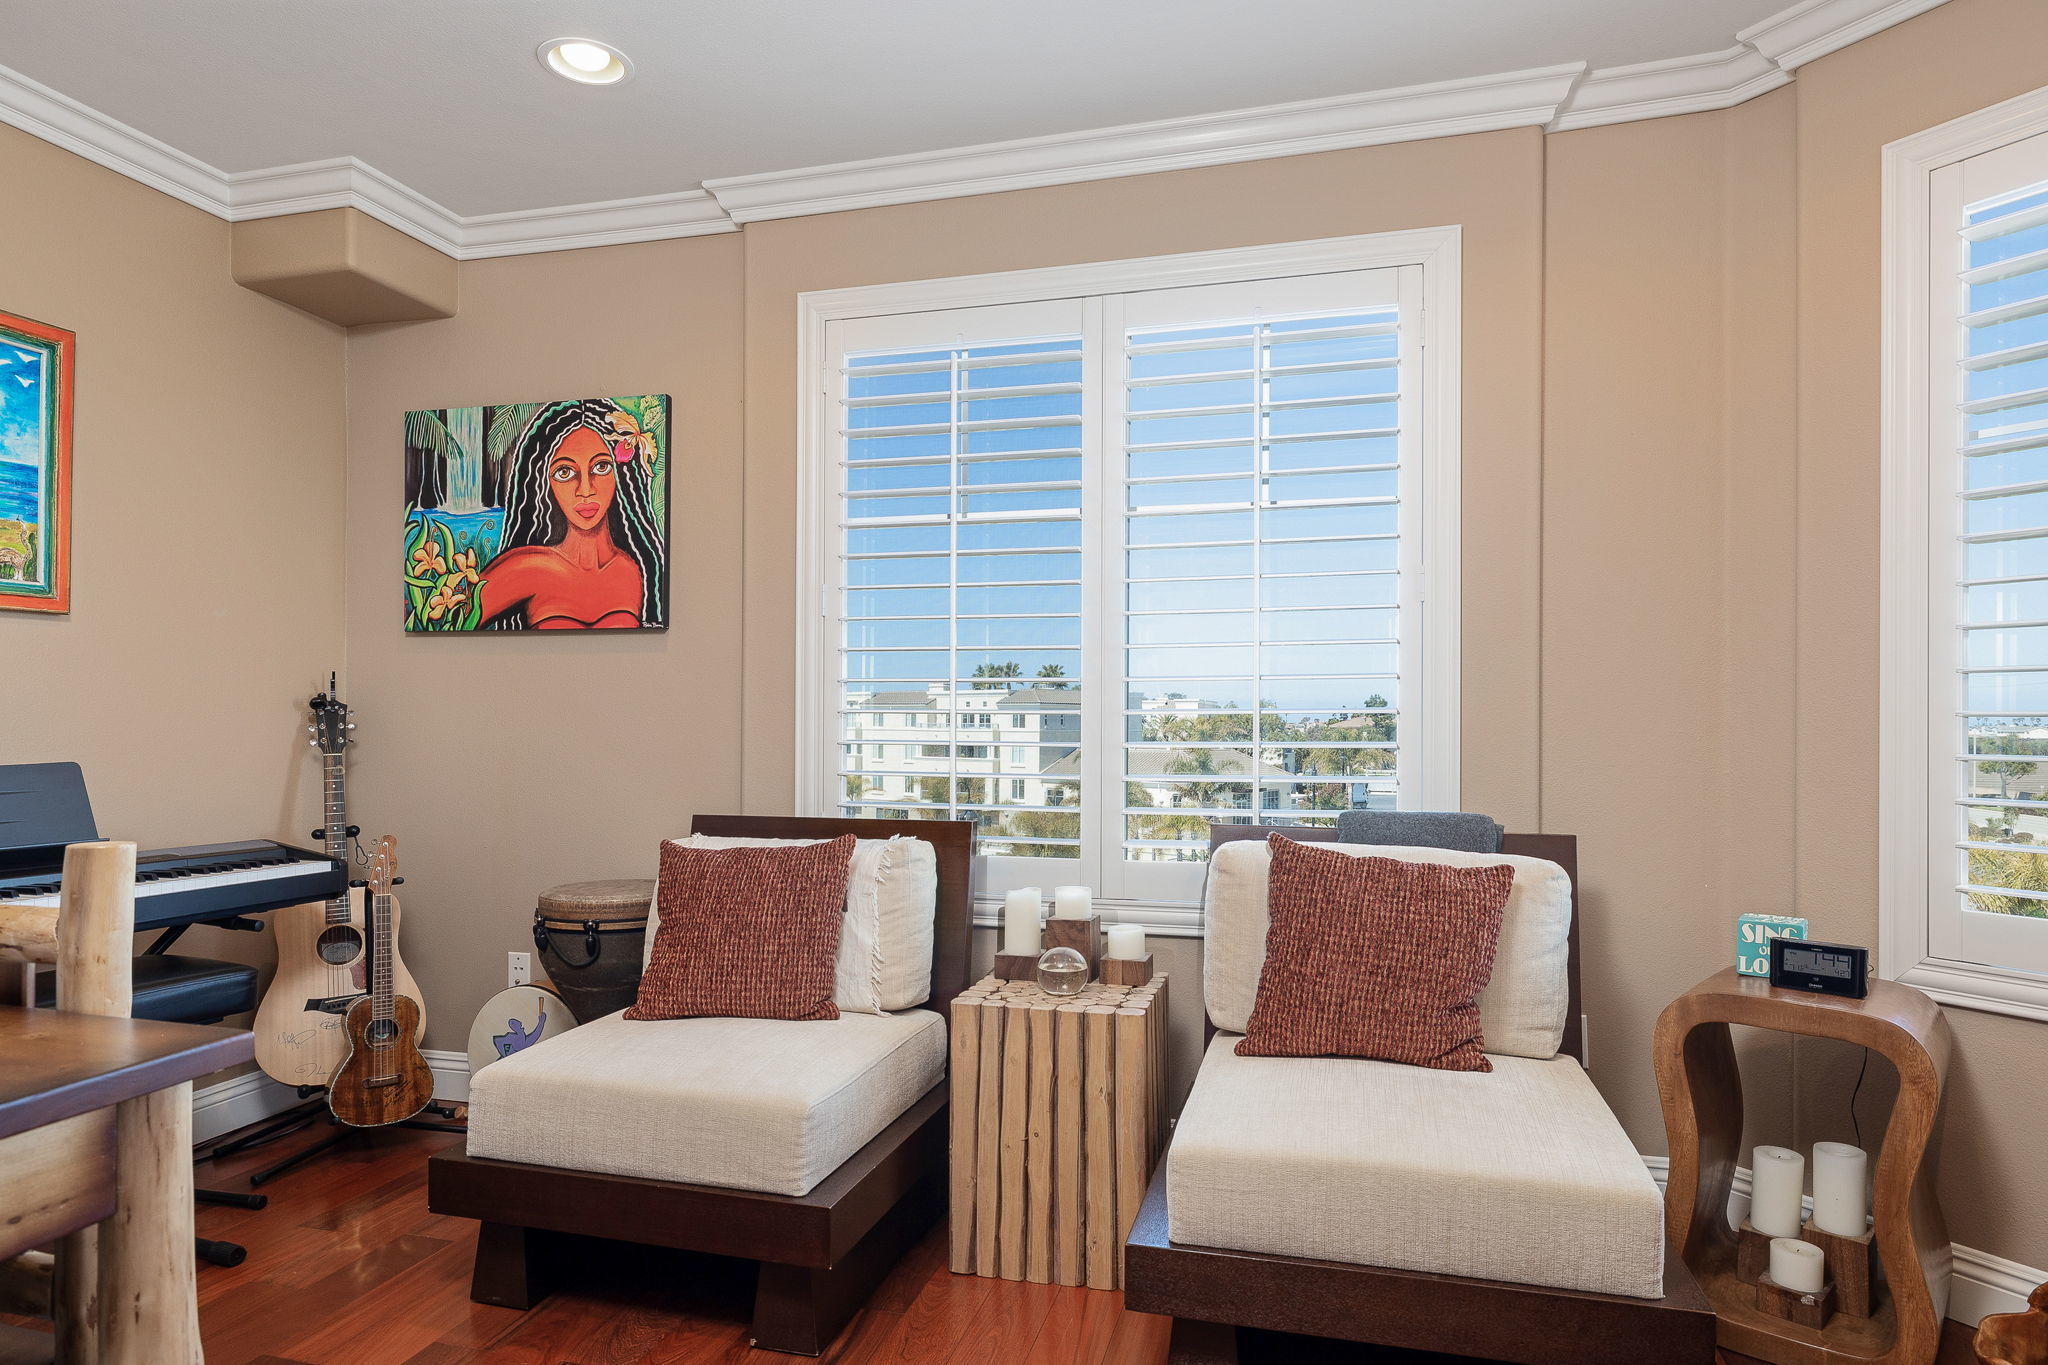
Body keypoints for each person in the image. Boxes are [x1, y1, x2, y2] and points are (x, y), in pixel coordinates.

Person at [476, 399, 665, 629]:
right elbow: (447, 622)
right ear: (542, 483)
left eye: (601, 467)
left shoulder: (636, 572)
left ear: (621, 476)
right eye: (564, 472)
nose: (585, 490)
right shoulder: (528, 568)